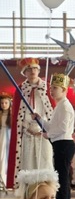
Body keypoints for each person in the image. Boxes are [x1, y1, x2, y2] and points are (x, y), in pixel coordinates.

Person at [33, 73, 75, 199]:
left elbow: (62, 128)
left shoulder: (65, 106)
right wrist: (39, 119)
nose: (51, 91)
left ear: (64, 90)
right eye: (51, 88)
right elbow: (52, 126)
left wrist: (48, 135)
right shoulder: (59, 106)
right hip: (60, 144)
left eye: (55, 88)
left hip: (64, 144)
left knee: (62, 177)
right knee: (61, 176)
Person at [11, 57, 53, 187]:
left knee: (45, 161)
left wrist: (44, 129)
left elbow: (51, 111)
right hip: (27, 131)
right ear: (25, 72)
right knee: (28, 163)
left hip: (44, 132)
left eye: (35, 68)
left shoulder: (46, 87)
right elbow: (17, 114)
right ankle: (29, 191)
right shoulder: (20, 89)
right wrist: (26, 126)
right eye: (29, 69)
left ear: (39, 70)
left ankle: (46, 189)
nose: (32, 71)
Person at [0, 92, 11, 186]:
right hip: (1, 136)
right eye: (2, 103)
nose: (4, 105)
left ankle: (6, 179)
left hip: (9, 136)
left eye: (6, 103)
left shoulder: (12, 115)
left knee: (7, 157)